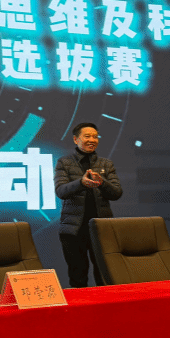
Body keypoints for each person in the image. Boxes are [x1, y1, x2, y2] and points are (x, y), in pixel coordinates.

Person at [54, 122, 123, 287]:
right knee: (77, 277)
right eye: (87, 136)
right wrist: (81, 183)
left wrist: (102, 183)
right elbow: (61, 191)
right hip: (73, 230)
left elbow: (116, 193)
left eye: (95, 136)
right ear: (76, 139)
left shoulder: (106, 164)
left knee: (104, 276)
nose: (92, 140)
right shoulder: (64, 162)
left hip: (101, 229)